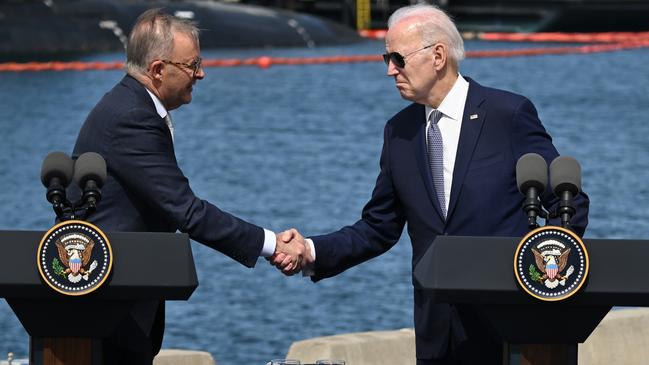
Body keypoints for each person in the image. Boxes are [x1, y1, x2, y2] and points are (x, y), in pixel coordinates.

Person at [272, 4, 589, 365]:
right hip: (438, 334)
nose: (390, 69)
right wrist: (311, 251)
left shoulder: (507, 115)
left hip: (511, 331)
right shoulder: (399, 132)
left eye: (397, 58)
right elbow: (378, 227)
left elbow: (569, 206)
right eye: (385, 58)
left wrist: (548, 285)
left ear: (437, 55)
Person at [70, 9, 306, 364]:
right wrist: (271, 245)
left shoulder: (131, 106)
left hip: (122, 297)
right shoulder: (131, 118)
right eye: (192, 65)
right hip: (110, 304)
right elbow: (186, 210)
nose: (201, 73)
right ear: (158, 70)